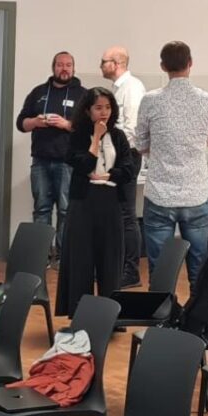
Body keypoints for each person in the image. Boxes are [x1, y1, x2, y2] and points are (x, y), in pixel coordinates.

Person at [134, 41, 208, 287]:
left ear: (163, 66)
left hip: (160, 192)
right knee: (199, 266)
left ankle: (163, 308)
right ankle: (198, 309)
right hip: (196, 192)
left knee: (160, 269)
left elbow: (140, 143)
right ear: (190, 63)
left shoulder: (150, 100)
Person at [55, 87, 133, 317]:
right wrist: (97, 137)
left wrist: (110, 176)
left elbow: (128, 169)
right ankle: (81, 314)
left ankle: (110, 316)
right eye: (98, 108)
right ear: (88, 110)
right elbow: (84, 165)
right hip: (83, 203)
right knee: (81, 260)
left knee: (110, 261)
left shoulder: (118, 136)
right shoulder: (78, 136)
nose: (104, 112)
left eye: (108, 107)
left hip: (110, 202)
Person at [16, 51, 85, 255]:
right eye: (60, 65)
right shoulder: (38, 92)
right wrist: (35, 122)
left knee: (65, 210)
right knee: (41, 209)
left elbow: (90, 129)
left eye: (68, 65)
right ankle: (41, 256)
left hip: (68, 163)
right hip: (40, 161)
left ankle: (64, 257)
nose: (64, 69)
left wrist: (66, 124)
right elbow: (21, 123)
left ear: (74, 68)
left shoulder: (83, 95)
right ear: (53, 67)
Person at [101, 46, 146, 287]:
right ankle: (119, 267)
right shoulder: (118, 88)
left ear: (116, 63)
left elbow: (132, 129)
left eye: (104, 61)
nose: (101, 65)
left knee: (127, 214)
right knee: (117, 213)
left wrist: (114, 151)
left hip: (125, 156)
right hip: (116, 156)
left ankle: (131, 271)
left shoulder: (132, 88)